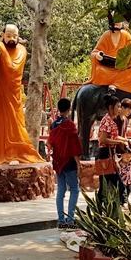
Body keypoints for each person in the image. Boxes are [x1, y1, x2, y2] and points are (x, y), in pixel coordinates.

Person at [0, 25, 45, 165]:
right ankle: (0, 154)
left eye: (15, 36)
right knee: (0, 123)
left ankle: (21, 152)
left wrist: (0, 49)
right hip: (0, 95)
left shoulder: (21, 50)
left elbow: (12, 70)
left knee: (17, 125)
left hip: (13, 95)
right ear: (2, 35)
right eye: (8, 36)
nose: (12, 39)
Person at [84, 21, 131, 93]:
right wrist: (97, 55)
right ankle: (116, 82)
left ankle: (116, 84)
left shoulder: (126, 35)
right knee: (99, 70)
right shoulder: (106, 35)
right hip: (108, 68)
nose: (116, 23)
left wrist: (128, 58)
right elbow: (95, 52)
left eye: (118, 21)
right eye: (115, 21)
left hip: (124, 67)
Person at [47, 98, 83, 230]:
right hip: (69, 161)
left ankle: (61, 221)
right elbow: (73, 147)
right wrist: (78, 163)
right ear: (69, 109)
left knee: (61, 190)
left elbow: (51, 143)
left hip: (57, 161)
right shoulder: (70, 125)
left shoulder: (54, 124)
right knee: (74, 189)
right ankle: (70, 220)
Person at [95, 94, 131, 206]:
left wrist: (125, 141)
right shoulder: (107, 121)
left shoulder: (110, 120)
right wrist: (119, 142)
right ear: (111, 107)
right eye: (118, 106)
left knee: (104, 187)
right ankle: (118, 208)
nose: (120, 109)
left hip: (109, 153)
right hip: (106, 153)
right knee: (119, 185)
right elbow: (103, 139)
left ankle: (99, 212)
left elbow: (112, 137)